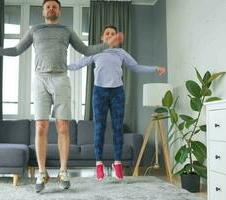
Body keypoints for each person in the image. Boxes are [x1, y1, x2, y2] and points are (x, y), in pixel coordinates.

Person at [0, 0, 123, 193]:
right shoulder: (34, 30)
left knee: (62, 127)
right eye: (48, 6)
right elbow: (17, 50)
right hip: (41, 80)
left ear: (59, 11)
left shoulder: (66, 30)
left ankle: (62, 171)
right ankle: (42, 172)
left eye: (54, 6)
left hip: (61, 79)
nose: (51, 8)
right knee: (41, 127)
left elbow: (86, 51)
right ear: (43, 11)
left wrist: (107, 44)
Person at [67, 25, 166, 181]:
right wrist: (59, 67)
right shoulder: (95, 52)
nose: (110, 35)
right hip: (99, 92)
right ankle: (99, 164)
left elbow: (136, 67)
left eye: (113, 33)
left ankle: (117, 163)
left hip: (117, 93)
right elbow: (77, 65)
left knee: (117, 129)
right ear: (102, 37)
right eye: (107, 33)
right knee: (99, 128)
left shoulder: (121, 53)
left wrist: (155, 68)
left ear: (117, 39)